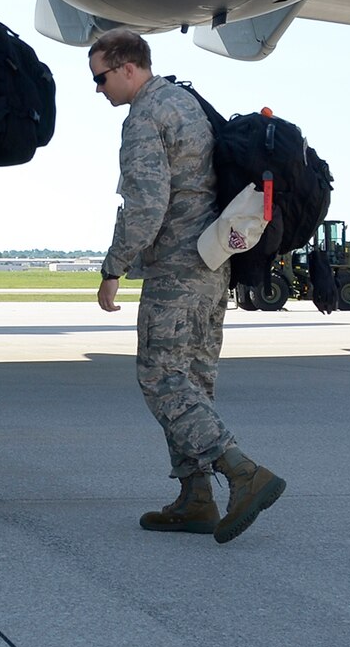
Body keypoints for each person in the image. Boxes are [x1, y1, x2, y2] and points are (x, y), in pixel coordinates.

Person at [90, 27, 284, 542]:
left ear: (129, 67)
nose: (99, 89)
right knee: (193, 382)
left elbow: (147, 207)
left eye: (101, 78)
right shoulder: (186, 102)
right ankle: (195, 498)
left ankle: (242, 472)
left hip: (175, 271)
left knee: (161, 378)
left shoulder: (144, 118)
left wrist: (114, 267)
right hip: (212, 265)